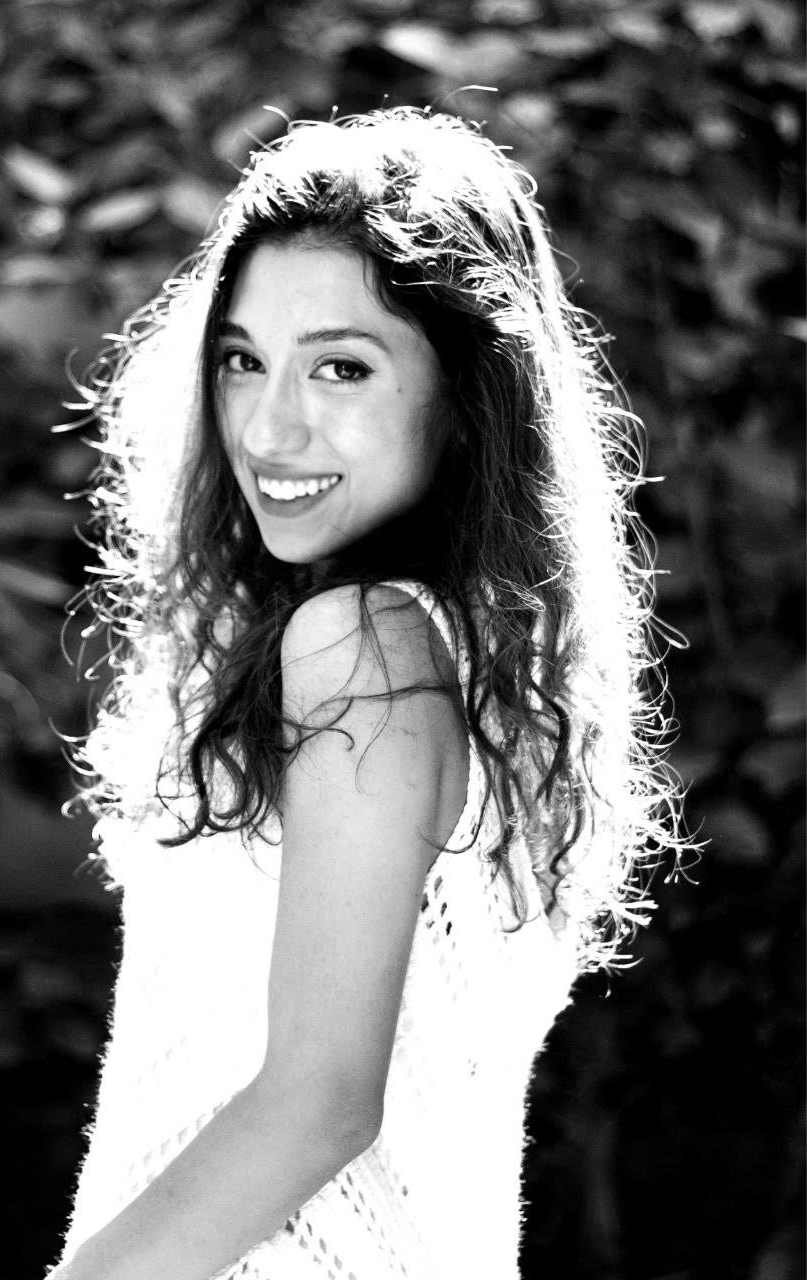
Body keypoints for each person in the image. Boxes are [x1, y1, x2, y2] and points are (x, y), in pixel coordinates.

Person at [47, 107, 684, 1279]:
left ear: (465, 396)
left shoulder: (367, 647)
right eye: (242, 360)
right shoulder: (475, 664)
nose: (268, 425)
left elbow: (319, 1104)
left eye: (340, 366)